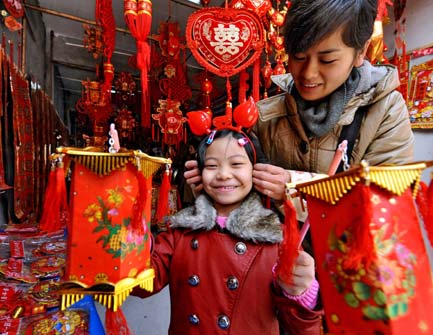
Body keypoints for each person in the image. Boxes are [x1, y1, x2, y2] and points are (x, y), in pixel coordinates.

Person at [185, 0, 414, 203]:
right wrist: (212, 188)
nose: (308, 73)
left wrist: (297, 187)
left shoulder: (385, 110)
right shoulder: (264, 114)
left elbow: (387, 202)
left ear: (360, 52)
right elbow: (246, 203)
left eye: (327, 60)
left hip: (346, 250)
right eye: (299, 57)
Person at [136, 129, 323, 334]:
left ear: (256, 171)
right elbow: (142, 283)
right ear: (199, 172)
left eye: (236, 164)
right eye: (212, 165)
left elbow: (303, 330)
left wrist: (302, 293)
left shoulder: (278, 237)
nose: (223, 174)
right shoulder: (180, 232)